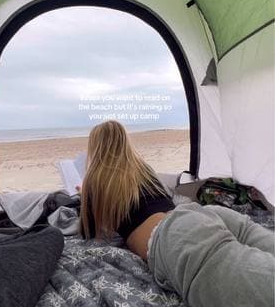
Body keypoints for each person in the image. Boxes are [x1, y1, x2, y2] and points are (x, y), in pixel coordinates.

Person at [79, 120, 274, 307]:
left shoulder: (94, 181)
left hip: (174, 236)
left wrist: (85, 196)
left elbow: (86, 231)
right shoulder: (143, 170)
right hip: (198, 214)